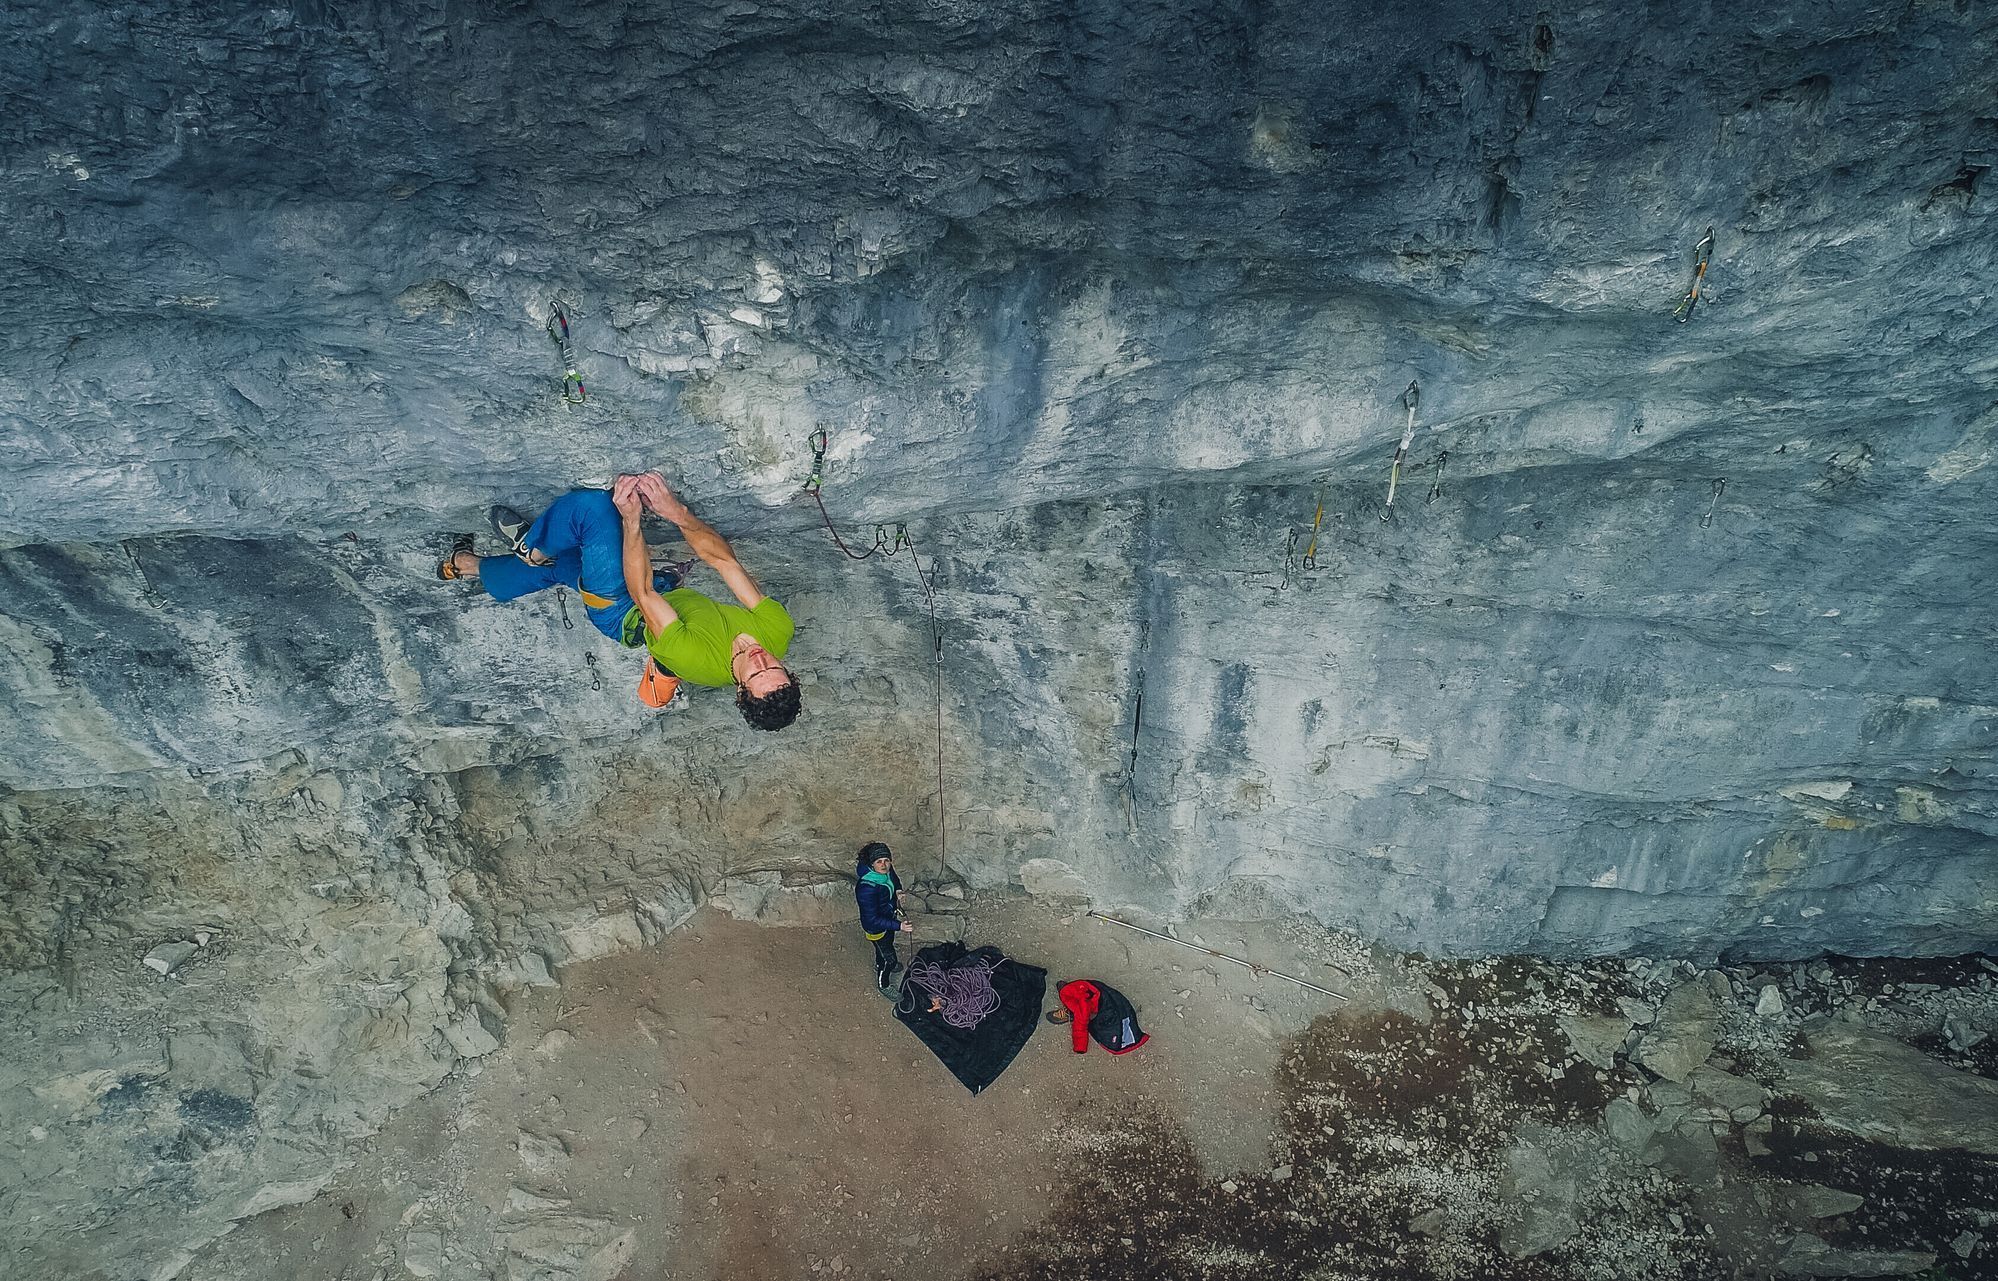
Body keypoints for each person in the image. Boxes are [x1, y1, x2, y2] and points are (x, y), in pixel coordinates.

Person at [438, 473, 801, 730]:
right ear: (788, 673)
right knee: (566, 566)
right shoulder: (778, 631)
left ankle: (532, 548)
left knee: (593, 510)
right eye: (774, 667)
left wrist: (632, 521)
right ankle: (468, 566)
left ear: (740, 689)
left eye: (756, 673)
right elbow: (725, 563)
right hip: (665, 597)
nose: (761, 659)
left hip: (621, 609)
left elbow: (642, 591)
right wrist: (676, 512)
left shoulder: (693, 659)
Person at [854, 841, 913, 995]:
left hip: (888, 918)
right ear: (871, 864)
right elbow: (872, 919)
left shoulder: (883, 870)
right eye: (879, 861)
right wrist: (899, 926)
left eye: (887, 860)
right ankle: (884, 984)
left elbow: (892, 876)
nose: (884, 865)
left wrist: (898, 890)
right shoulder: (866, 888)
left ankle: (881, 960)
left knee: (886, 945)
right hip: (876, 928)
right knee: (889, 959)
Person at [1047, 978, 1149, 1055]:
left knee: (1086, 1016)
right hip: (1107, 1005)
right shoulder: (1093, 991)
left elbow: (1080, 1028)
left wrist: (1080, 1047)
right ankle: (1072, 1006)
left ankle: (1072, 1013)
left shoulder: (1083, 1009)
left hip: (1105, 1015)